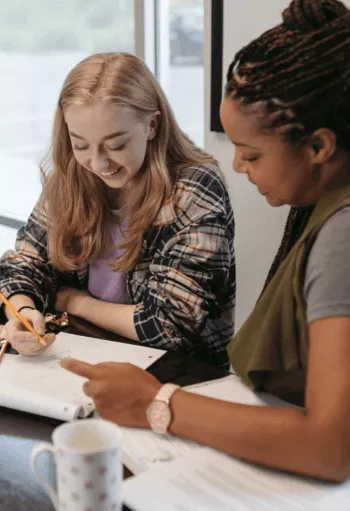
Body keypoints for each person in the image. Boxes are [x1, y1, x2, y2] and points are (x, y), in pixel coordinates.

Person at [63, 0, 350, 482]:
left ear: (319, 146)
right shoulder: (321, 206)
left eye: (251, 154)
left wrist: (157, 402)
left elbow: (331, 449)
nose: (236, 166)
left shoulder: (341, 236)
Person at [0, 53, 235, 369]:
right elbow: (26, 262)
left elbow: (170, 326)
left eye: (117, 145)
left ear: (152, 125)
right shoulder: (74, 174)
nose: (98, 164)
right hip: (82, 355)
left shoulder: (195, 188)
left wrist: (75, 302)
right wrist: (23, 313)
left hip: (178, 374)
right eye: (81, 145)